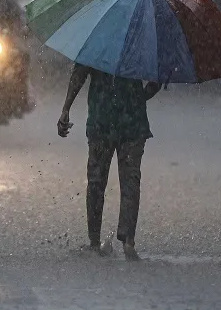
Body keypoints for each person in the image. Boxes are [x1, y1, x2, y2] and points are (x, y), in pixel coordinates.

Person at [57, 64, 162, 260]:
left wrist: (66, 108)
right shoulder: (141, 42)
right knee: (130, 181)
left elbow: (79, 73)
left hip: (102, 121)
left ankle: (95, 242)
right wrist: (137, 98)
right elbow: (156, 79)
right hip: (132, 123)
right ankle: (128, 241)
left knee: (96, 182)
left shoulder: (98, 40)